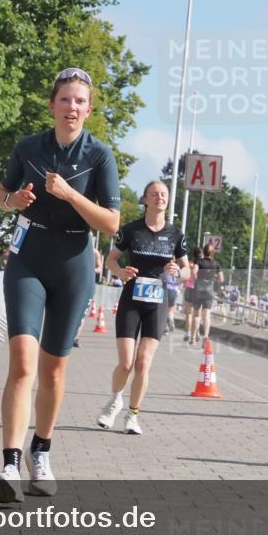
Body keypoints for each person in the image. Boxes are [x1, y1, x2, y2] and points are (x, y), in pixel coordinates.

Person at [0, 68, 120, 504]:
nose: (72, 107)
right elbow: (1, 194)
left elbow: (112, 222)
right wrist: (14, 202)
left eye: (80, 101)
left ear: (89, 109)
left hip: (74, 264)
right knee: (23, 363)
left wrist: (71, 196)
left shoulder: (99, 155)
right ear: (52, 105)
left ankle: (40, 452)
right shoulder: (29, 146)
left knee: (53, 370)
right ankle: (8, 465)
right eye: (65, 99)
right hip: (28, 257)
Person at [97, 181, 189, 434]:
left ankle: (133, 415)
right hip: (131, 301)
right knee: (126, 363)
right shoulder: (130, 231)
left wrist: (177, 272)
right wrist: (121, 272)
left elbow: (187, 270)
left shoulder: (176, 235)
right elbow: (110, 260)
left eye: (164, 195)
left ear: (168, 200)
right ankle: (115, 401)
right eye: (154, 194)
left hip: (157, 303)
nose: (160, 198)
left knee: (143, 364)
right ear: (145, 199)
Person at [189, 244, 224, 344]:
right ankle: (205, 336)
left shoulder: (199, 262)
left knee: (196, 314)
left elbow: (194, 272)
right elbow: (221, 279)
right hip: (209, 288)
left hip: (199, 288)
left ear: (204, 252)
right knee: (207, 315)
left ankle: (193, 338)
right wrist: (214, 275)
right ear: (213, 253)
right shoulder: (216, 264)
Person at [182, 248, 200, 342]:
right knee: (197, 315)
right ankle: (196, 332)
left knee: (189, 314)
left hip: (189, 289)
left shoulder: (189, 264)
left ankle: (188, 333)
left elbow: (183, 277)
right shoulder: (203, 265)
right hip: (198, 291)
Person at [163, 261, 181, 336]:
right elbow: (180, 278)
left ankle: (166, 327)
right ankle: (170, 320)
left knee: (164, 309)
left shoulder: (165, 267)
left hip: (166, 288)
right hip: (175, 289)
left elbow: (162, 277)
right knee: (171, 309)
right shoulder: (177, 267)